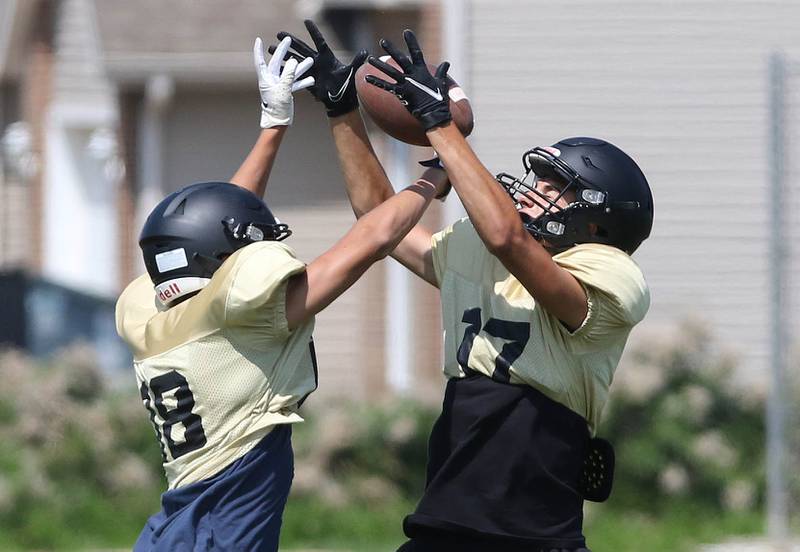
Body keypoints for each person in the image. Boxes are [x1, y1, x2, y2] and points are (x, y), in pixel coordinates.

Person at [273, 22, 653, 552]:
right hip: (443, 520)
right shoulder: (487, 248)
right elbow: (380, 222)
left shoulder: (611, 273)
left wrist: (438, 125)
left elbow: (507, 239)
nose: (536, 191)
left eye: (556, 187)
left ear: (598, 219)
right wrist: (344, 115)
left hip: (532, 534)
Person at [114, 35, 449, 552]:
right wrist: (436, 176)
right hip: (215, 537)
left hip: (175, 529)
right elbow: (372, 238)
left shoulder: (150, 314)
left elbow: (215, 221)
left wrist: (274, 124)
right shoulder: (237, 316)